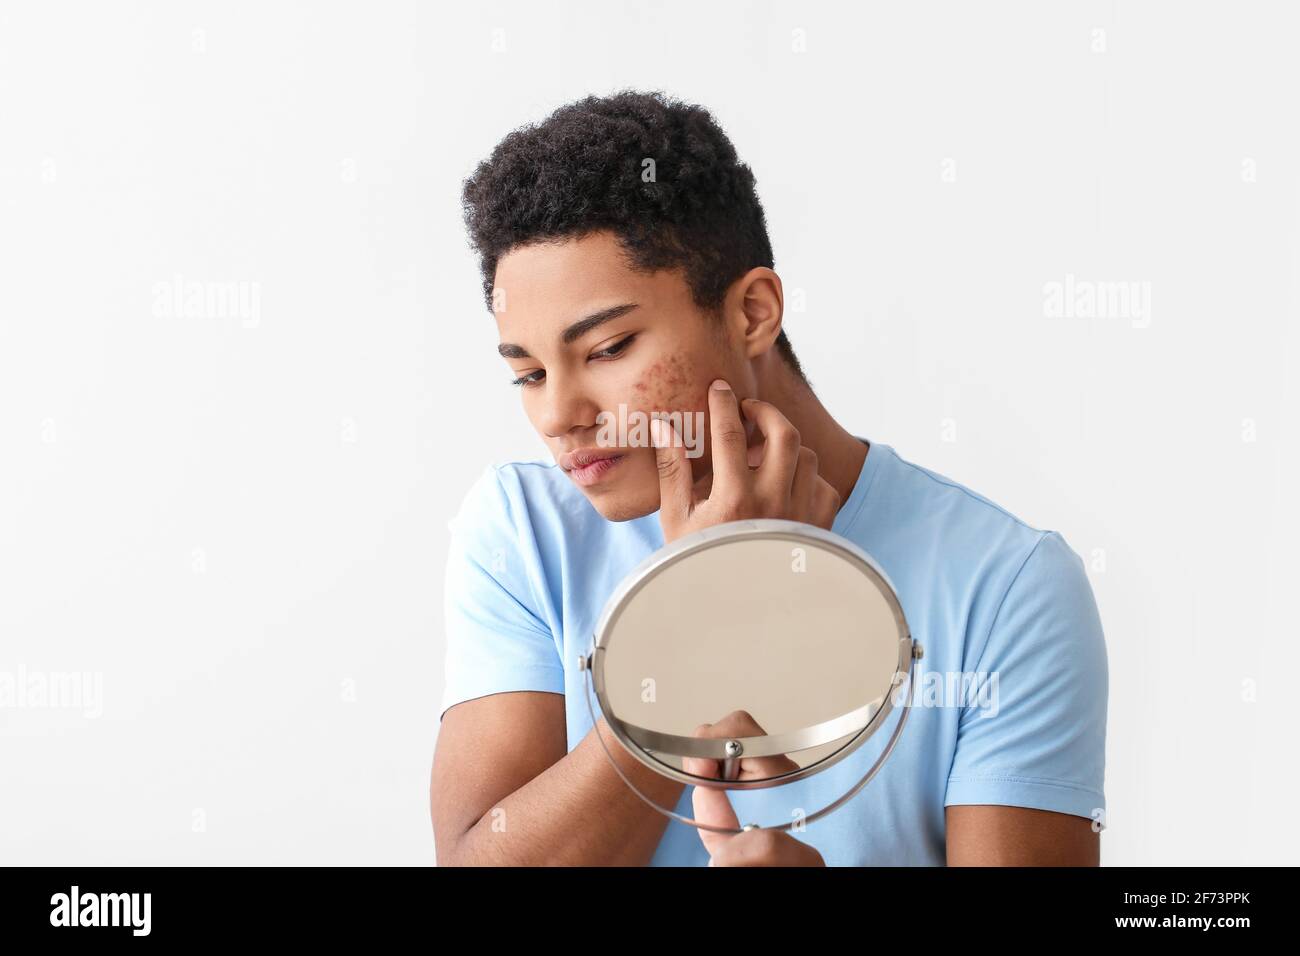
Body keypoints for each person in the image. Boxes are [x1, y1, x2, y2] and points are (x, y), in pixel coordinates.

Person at [429, 89, 1107, 866]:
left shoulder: (1007, 585)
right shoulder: (523, 531)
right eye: (529, 374)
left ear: (752, 312)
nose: (559, 415)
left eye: (609, 349)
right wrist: (689, 615)